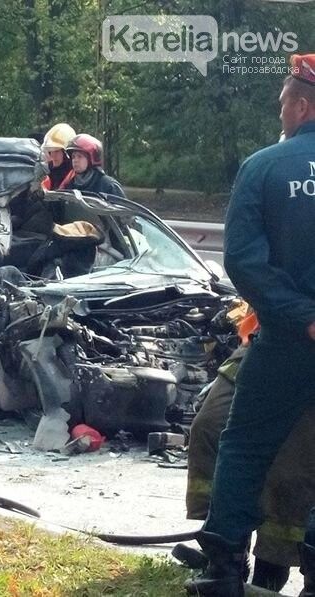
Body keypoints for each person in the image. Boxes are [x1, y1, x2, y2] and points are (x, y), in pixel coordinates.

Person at [185, 53, 315, 596]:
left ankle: (223, 569)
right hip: (288, 334)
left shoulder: (265, 167)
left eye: (283, 103)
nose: (279, 112)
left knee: (243, 444)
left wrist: (304, 318)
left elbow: (242, 261)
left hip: (285, 341)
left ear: (301, 106)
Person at [185, 310, 315, 592]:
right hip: (268, 338)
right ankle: (225, 555)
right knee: (209, 427)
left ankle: (270, 570)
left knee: (291, 467)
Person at [41, 123, 76, 191]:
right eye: (51, 151)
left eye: (57, 151)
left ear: (66, 153)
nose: (53, 155)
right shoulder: (47, 171)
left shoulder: (74, 176)